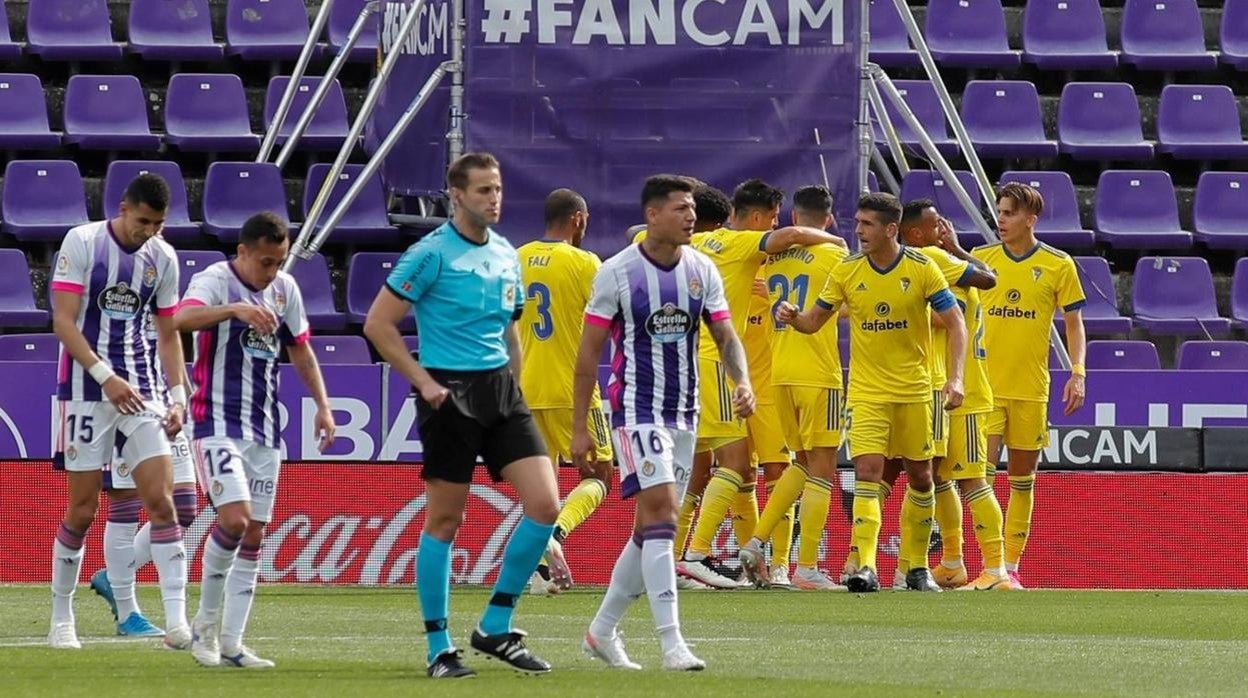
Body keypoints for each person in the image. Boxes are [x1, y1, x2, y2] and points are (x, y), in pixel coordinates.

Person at [364, 153, 561, 679]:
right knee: (446, 520)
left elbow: (512, 329)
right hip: (447, 392)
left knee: (545, 505)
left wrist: (515, 387)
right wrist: (423, 381)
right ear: (456, 195)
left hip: (500, 391)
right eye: (482, 191)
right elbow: (379, 325)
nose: (493, 199)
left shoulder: (505, 253)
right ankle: (439, 647)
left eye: (497, 189)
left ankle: (496, 625)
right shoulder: (429, 254)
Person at [574, 174, 753, 671]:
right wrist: (579, 425)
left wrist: (743, 382)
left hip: (685, 412)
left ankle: (601, 631)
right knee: (665, 514)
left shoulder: (702, 269)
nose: (691, 216)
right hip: (635, 410)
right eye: (681, 209)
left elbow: (726, 335)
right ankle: (672, 642)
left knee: (649, 527)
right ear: (653, 215)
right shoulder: (617, 273)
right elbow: (587, 356)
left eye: (692, 208)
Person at [777, 193, 967, 593]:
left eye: (867, 224)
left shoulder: (922, 268)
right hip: (866, 392)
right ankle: (864, 566)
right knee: (867, 473)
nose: (858, 231)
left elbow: (955, 324)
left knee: (920, 477)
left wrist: (956, 378)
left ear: (891, 229)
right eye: (858, 222)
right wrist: (794, 318)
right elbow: (814, 322)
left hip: (917, 391)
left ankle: (915, 568)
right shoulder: (847, 271)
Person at [177, 212, 337, 669]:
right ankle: (203, 629)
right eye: (265, 262)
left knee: (255, 533)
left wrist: (323, 406)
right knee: (234, 519)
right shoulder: (215, 280)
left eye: (279, 261)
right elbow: (183, 319)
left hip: (265, 429)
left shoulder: (285, 290)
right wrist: (234, 310)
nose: (272, 272)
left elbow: (300, 349)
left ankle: (232, 643)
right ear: (243, 251)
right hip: (216, 423)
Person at [679, 179, 845, 589]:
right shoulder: (753, 252)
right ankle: (697, 554)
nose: (774, 226)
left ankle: (768, 566)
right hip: (731, 370)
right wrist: (835, 239)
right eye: (770, 219)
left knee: (759, 472)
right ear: (758, 219)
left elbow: (638, 234)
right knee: (733, 468)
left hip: (756, 381)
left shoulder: (711, 248)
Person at [47, 174, 189, 649]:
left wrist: (177, 393)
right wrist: (105, 376)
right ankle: (61, 616)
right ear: (124, 208)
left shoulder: (162, 256)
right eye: (143, 221)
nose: (148, 231)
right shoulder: (82, 242)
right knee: (83, 510)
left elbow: (168, 333)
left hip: (141, 393)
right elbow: (63, 323)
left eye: (158, 224)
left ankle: (177, 623)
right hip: (88, 390)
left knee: (165, 503)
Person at [973, 183, 1087, 590]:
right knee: (979, 478)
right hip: (984, 389)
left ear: (1030, 220)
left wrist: (1077, 372)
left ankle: (1011, 568)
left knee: (1023, 480)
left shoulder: (1058, 264)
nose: (1000, 220)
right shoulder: (980, 260)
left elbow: (1074, 324)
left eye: (1008, 213)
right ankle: (990, 567)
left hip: (1031, 389)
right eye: (999, 212)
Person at [739, 185, 848, 590]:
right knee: (822, 468)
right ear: (830, 219)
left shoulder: (770, 259)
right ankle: (806, 568)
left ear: (792, 219)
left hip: (780, 373)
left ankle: (755, 542)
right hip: (819, 373)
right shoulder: (838, 256)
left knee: (800, 463)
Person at [516, 189, 614, 595]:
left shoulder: (515, 258)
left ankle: (538, 571)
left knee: (544, 485)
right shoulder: (585, 262)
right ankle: (555, 533)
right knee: (601, 475)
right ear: (578, 219)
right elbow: (613, 315)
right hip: (571, 386)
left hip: (524, 386)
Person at [88, 310, 200, 645]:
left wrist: (183, 390)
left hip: (167, 406)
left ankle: (115, 575)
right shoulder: (117, 291)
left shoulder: (162, 282)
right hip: (126, 405)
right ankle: (127, 612)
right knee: (125, 502)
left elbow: (169, 341)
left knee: (184, 507)